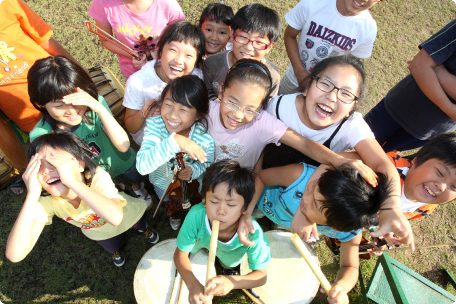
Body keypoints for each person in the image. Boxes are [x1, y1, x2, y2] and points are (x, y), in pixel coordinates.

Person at [252, 55, 414, 249]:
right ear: (307, 86)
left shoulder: (351, 125)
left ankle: (280, 221)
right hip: (263, 178)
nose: (332, 96)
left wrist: (391, 207)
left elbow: (382, 164)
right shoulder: (278, 107)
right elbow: (258, 148)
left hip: (303, 194)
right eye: (326, 83)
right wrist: (252, 182)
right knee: (254, 208)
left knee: (284, 228)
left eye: (346, 93)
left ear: (352, 107)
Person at [5, 133, 159, 267]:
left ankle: (144, 229)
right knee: (111, 245)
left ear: (79, 164)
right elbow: (15, 254)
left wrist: (72, 181)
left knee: (140, 224)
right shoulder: (47, 203)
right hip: (99, 234)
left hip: (130, 215)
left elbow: (116, 217)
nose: (47, 170)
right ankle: (116, 250)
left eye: (54, 162)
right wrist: (32, 194)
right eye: (38, 167)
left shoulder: (97, 177)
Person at [250, 160, 392, 304]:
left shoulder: (348, 232)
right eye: (316, 185)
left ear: (335, 228)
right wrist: (245, 213)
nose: (307, 195)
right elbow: (260, 177)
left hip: (283, 220)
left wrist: (341, 286)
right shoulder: (299, 177)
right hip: (260, 199)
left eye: (315, 204)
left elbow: (350, 266)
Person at [28, 56, 152, 206]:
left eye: (75, 99)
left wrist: (100, 108)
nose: (72, 110)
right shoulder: (42, 136)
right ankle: (119, 189)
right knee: (104, 193)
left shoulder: (95, 104)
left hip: (121, 161)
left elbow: (124, 146)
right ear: (40, 104)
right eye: (59, 105)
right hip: (90, 178)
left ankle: (138, 188)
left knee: (136, 177)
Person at [0, 0, 85, 195]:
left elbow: (44, 39)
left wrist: (77, 71)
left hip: (55, 89)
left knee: (82, 131)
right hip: (21, 113)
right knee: (48, 149)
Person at [174, 160, 271, 304]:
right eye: (214, 201)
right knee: (192, 252)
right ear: (204, 200)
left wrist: (233, 282)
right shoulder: (196, 215)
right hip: (200, 242)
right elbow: (179, 255)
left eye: (231, 204)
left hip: (230, 255)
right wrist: (193, 285)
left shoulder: (252, 233)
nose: (220, 211)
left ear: (245, 209)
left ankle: (227, 268)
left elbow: (261, 275)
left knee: (228, 264)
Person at [364, 19, 456, 153]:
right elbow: (419, 65)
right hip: (397, 107)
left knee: (377, 166)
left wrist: (438, 71)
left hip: (428, 132)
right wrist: (450, 108)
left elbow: (421, 65)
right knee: (345, 147)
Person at [136, 75, 214, 230]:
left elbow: (207, 163)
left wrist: (193, 170)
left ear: (198, 115)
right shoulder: (156, 126)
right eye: (168, 104)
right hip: (161, 184)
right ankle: (174, 215)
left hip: (191, 186)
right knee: (168, 202)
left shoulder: (204, 139)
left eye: (183, 109)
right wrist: (175, 141)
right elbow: (142, 166)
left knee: (190, 202)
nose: (172, 115)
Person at [123, 21, 205, 145]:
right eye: (173, 50)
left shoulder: (196, 76)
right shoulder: (137, 82)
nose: (178, 60)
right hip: (152, 142)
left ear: (196, 61)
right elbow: (130, 127)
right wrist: (143, 113)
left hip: (182, 135)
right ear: (160, 51)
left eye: (188, 55)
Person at [279, 0, 380, 95]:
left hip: (326, 89)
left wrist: (324, 86)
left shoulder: (369, 29)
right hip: (294, 76)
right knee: (275, 105)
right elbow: (290, 36)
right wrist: (300, 73)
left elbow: (349, 65)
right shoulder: (313, 3)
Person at [88, 0, 185, 78]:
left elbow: (180, 34)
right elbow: (106, 39)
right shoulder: (102, 3)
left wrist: (159, 52)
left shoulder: (167, 3)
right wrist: (131, 54)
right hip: (132, 72)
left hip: (166, 68)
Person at [203, 3, 282, 99]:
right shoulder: (212, 63)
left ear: (269, 47)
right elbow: (206, 92)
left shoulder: (272, 76)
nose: (249, 47)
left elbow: (268, 108)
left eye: (258, 42)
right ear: (232, 35)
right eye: (243, 37)